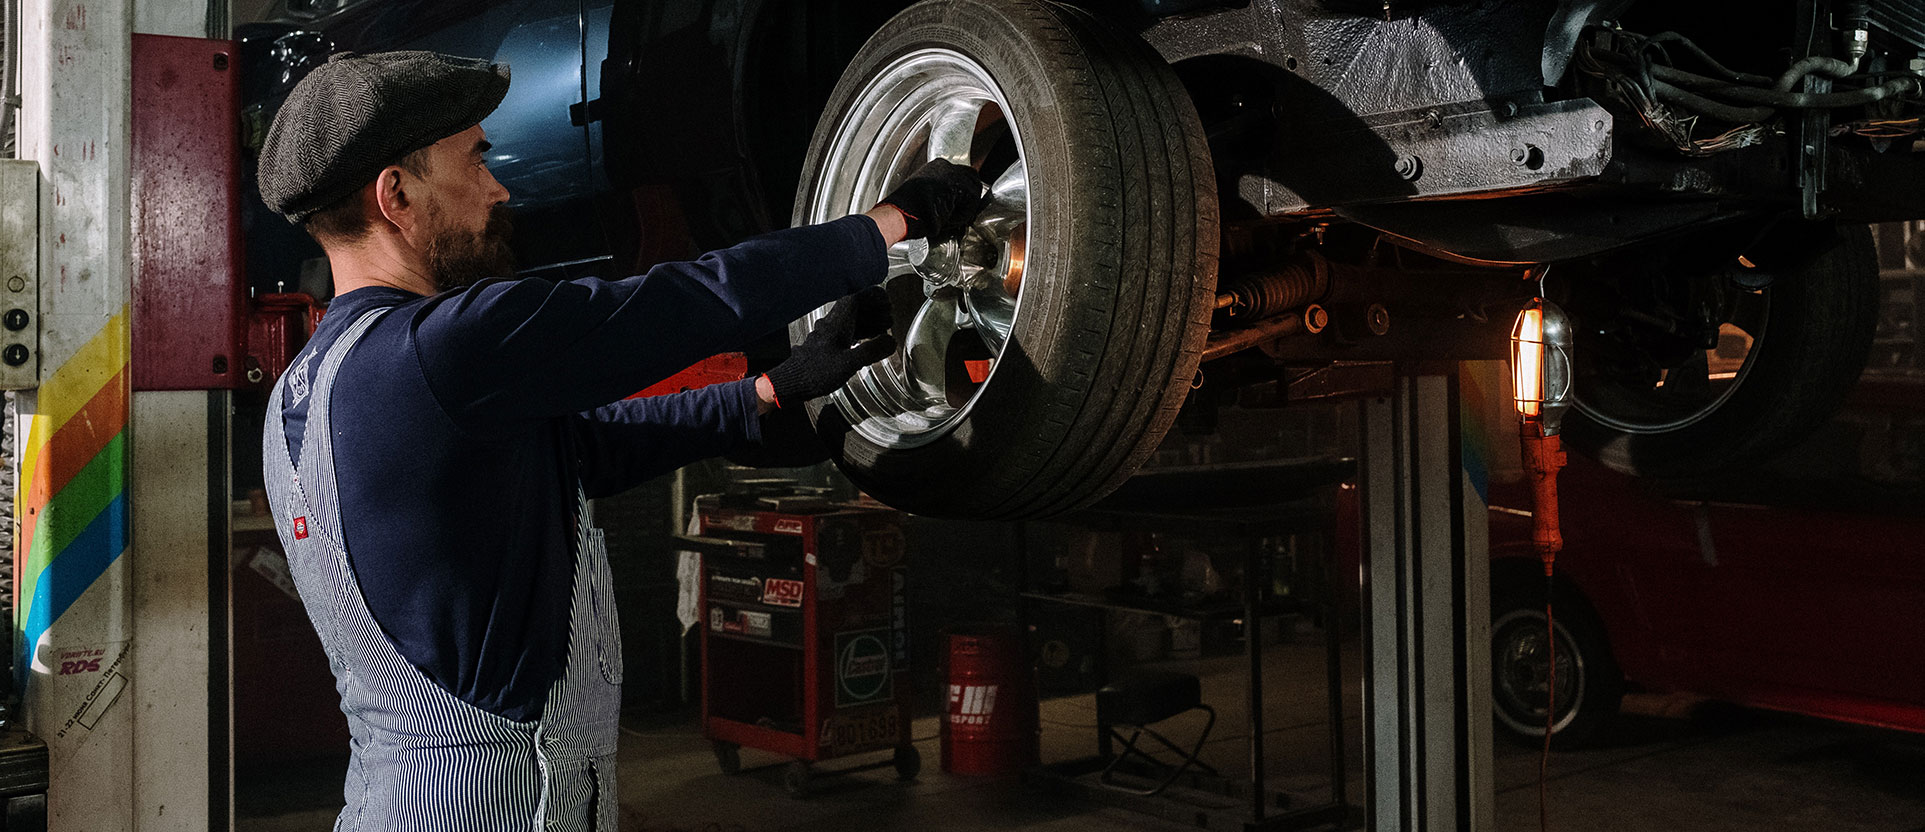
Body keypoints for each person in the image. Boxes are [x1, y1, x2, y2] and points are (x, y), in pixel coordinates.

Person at [254, 50, 981, 831]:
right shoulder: (439, 349)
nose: (499, 190)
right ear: (395, 194)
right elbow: (681, 303)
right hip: (493, 810)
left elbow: (574, 455)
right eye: (475, 159)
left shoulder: (314, 383)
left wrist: (771, 389)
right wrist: (894, 221)